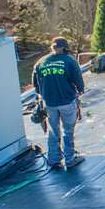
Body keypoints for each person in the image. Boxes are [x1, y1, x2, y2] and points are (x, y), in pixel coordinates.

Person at [33, 36, 86, 170]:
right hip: (66, 101)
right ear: (65, 48)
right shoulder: (69, 61)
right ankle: (70, 159)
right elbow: (78, 80)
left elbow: (36, 85)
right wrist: (80, 90)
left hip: (49, 103)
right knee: (68, 131)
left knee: (53, 130)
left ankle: (54, 159)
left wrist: (43, 95)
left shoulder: (41, 62)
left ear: (53, 47)